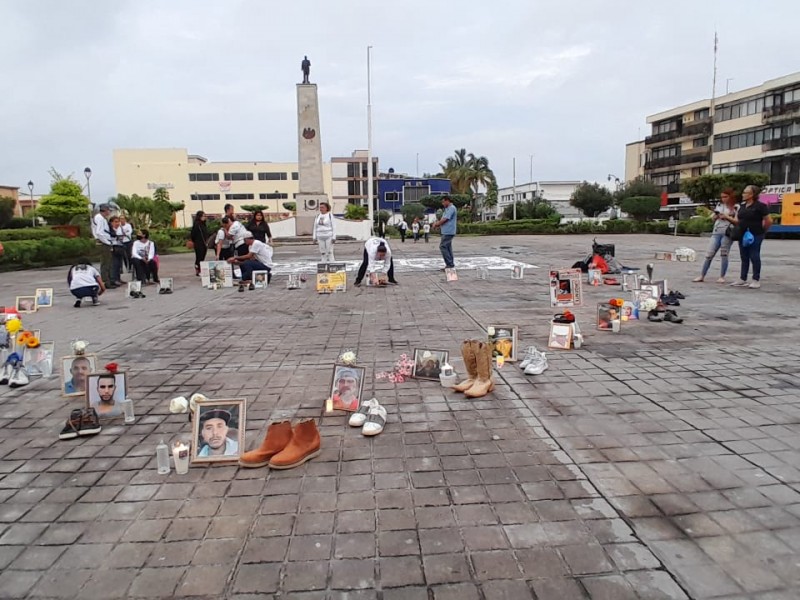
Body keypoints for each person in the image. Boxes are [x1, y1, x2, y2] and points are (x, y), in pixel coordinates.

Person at [725, 185, 772, 289]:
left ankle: (756, 279)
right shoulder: (742, 206)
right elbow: (737, 221)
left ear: (752, 195)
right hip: (742, 234)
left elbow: (769, 220)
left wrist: (763, 231)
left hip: (755, 234)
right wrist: (726, 217)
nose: (743, 194)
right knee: (744, 256)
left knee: (754, 255)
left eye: (745, 192)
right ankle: (742, 278)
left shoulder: (760, 206)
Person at [694, 189, 738, 283]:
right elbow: (713, 218)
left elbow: (737, 221)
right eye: (722, 197)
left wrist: (727, 217)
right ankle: (702, 275)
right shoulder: (719, 205)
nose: (723, 199)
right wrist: (716, 216)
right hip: (716, 231)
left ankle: (722, 276)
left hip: (727, 232)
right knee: (709, 254)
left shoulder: (736, 207)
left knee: (724, 254)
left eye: (726, 197)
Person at [91, 204, 116, 288]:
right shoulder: (100, 218)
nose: (109, 212)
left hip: (104, 242)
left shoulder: (100, 218)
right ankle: (106, 282)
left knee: (106, 262)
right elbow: (99, 232)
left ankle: (107, 280)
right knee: (106, 263)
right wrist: (107, 242)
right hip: (103, 243)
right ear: (105, 210)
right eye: (109, 210)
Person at [433, 195, 457, 269]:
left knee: (443, 246)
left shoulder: (451, 208)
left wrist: (437, 224)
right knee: (448, 248)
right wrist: (439, 225)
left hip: (448, 231)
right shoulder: (447, 209)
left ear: (447, 201)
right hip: (446, 231)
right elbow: (443, 219)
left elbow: (445, 219)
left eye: (443, 202)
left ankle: (449, 264)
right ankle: (450, 264)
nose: (442, 204)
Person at [190, 211, 209, 276]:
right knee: (199, 257)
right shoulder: (197, 224)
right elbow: (193, 234)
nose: (205, 217)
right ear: (200, 217)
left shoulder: (203, 224)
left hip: (204, 243)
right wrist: (195, 241)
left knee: (203, 256)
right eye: (204, 216)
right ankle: (198, 269)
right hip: (198, 243)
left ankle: (200, 269)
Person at [109, 216, 126, 287]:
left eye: (118, 222)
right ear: (111, 222)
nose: (117, 223)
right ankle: (114, 279)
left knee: (119, 264)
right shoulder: (110, 230)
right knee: (114, 264)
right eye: (115, 222)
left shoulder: (120, 228)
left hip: (120, 246)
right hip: (113, 247)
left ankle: (118, 278)